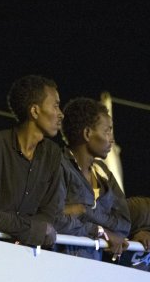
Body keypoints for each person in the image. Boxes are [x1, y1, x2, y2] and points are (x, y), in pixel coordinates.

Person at [0, 75, 63, 248]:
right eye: (56, 106)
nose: (61, 114)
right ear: (34, 111)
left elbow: (49, 214)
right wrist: (32, 229)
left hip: (28, 254)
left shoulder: (53, 154)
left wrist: (26, 230)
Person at [55, 97, 130, 261]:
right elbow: (54, 219)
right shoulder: (59, 167)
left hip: (94, 269)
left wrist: (84, 211)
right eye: (107, 131)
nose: (112, 139)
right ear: (87, 133)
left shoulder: (103, 172)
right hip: (61, 264)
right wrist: (99, 230)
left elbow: (124, 225)